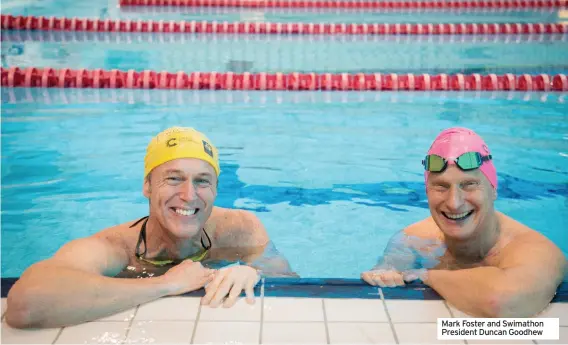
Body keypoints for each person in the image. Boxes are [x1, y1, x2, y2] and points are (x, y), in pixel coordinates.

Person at [6, 126, 296, 329]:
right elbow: (26, 304)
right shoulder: (116, 248)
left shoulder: (241, 228)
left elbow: (291, 280)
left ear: (216, 189)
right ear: (147, 186)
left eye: (202, 181)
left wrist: (254, 272)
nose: (189, 195)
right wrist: (165, 284)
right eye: (173, 179)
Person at [361, 127, 566, 318]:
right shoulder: (411, 240)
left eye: (469, 185)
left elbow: (503, 301)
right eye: (441, 187)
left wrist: (426, 276)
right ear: (427, 192)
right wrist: (383, 276)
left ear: (493, 190)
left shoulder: (535, 250)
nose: (454, 203)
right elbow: (383, 284)